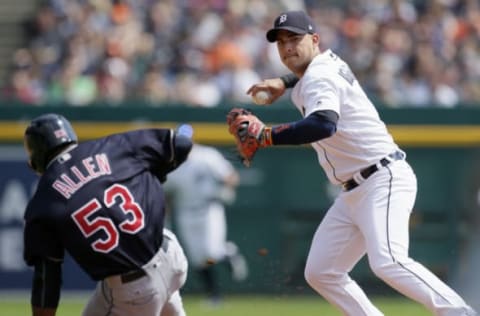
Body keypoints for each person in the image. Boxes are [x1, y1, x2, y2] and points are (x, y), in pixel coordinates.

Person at [245, 10, 477, 316]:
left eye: (295, 39)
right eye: (282, 42)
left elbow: (323, 125)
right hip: (354, 190)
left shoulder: (320, 76)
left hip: (382, 178)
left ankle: (458, 311)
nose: (287, 47)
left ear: (314, 40)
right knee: (321, 271)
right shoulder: (325, 63)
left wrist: (265, 135)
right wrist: (285, 81)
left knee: (388, 260)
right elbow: (314, 70)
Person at [22, 113, 193, 316]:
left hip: (134, 290)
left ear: (35, 160)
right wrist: (154, 176)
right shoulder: (113, 146)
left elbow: (46, 278)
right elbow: (181, 143)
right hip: (171, 255)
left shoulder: (43, 201)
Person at [163, 143, 248, 304]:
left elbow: (231, 176)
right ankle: (214, 296)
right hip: (185, 212)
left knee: (211, 252)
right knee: (198, 259)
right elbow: (167, 193)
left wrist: (227, 189)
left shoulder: (207, 156)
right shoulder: (172, 164)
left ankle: (227, 253)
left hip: (209, 208)